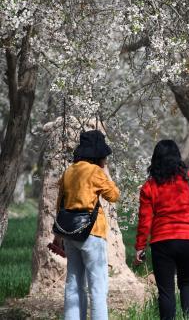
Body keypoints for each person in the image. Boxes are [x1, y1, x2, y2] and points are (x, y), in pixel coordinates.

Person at [134, 140, 189, 320]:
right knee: (188, 284)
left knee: (166, 291)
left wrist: (140, 247)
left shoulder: (149, 186)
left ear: (155, 159)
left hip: (162, 242)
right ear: (177, 157)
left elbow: (145, 220)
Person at [56, 129, 120, 320]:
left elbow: (60, 203)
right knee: (98, 287)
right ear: (99, 154)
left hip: (70, 233)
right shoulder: (95, 172)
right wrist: (105, 173)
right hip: (92, 233)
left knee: (73, 284)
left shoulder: (69, 171)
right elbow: (114, 195)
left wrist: (57, 235)